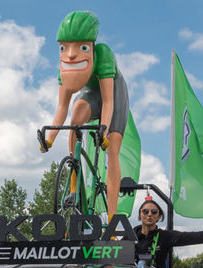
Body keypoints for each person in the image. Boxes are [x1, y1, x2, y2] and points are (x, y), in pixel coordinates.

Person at [40, 11, 127, 220]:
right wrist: (49, 138)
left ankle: (113, 217)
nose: (70, 55)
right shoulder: (65, 67)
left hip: (113, 94)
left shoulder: (103, 54)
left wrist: (104, 130)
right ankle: (74, 184)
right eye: (64, 47)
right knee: (76, 115)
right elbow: (62, 107)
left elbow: (108, 101)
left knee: (112, 150)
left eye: (82, 47)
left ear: (92, 46)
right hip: (91, 93)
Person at [134, 197, 203, 268]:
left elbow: (193, 237)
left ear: (159, 217)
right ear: (139, 215)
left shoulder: (165, 237)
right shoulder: (130, 235)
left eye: (154, 212)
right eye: (145, 211)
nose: (149, 214)